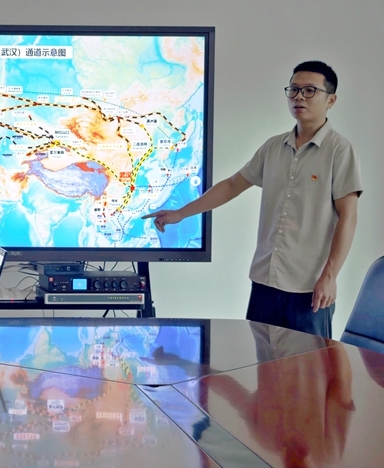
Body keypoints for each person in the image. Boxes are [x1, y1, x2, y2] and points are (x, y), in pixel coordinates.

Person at [144, 61, 362, 338]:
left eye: (309, 90)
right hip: (264, 281)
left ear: (331, 99)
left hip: (309, 288)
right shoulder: (273, 147)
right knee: (262, 360)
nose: (299, 97)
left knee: (308, 364)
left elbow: (348, 216)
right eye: (293, 90)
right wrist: (181, 213)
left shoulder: (339, 151)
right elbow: (233, 185)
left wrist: (329, 277)